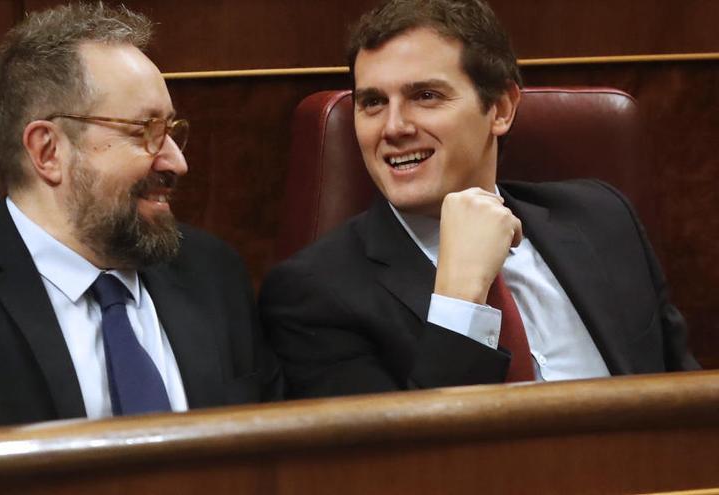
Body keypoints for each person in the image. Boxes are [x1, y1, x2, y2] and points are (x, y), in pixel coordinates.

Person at [0, 3, 280, 441]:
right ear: (48, 151)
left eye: (171, 131)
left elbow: (278, 460)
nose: (177, 162)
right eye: (145, 132)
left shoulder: (212, 274)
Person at [259, 0, 698, 399]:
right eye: (373, 102)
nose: (392, 127)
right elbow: (408, 470)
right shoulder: (313, 296)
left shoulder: (602, 218)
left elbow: (688, 405)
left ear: (502, 108)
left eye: (425, 96)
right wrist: (461, 298)